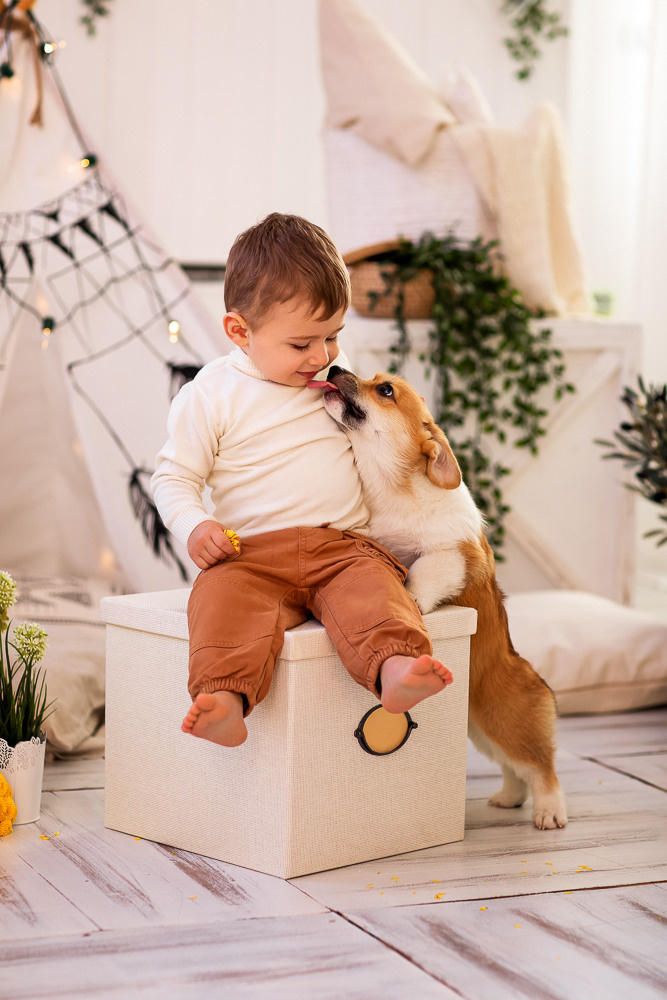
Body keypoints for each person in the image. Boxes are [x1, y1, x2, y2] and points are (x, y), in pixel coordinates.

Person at [152, 213, 452, 748]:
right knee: (220, 601)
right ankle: (223, 699)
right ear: (240, 331)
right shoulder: (210, 395)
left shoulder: (333, 381)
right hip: (252, 555)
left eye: (333, 336)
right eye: (302, 344)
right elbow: (174, 477)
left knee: (378, 593)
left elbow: (381, 438)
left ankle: (396, 671)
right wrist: (195, 526)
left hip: (343, 547)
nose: (321, 357)